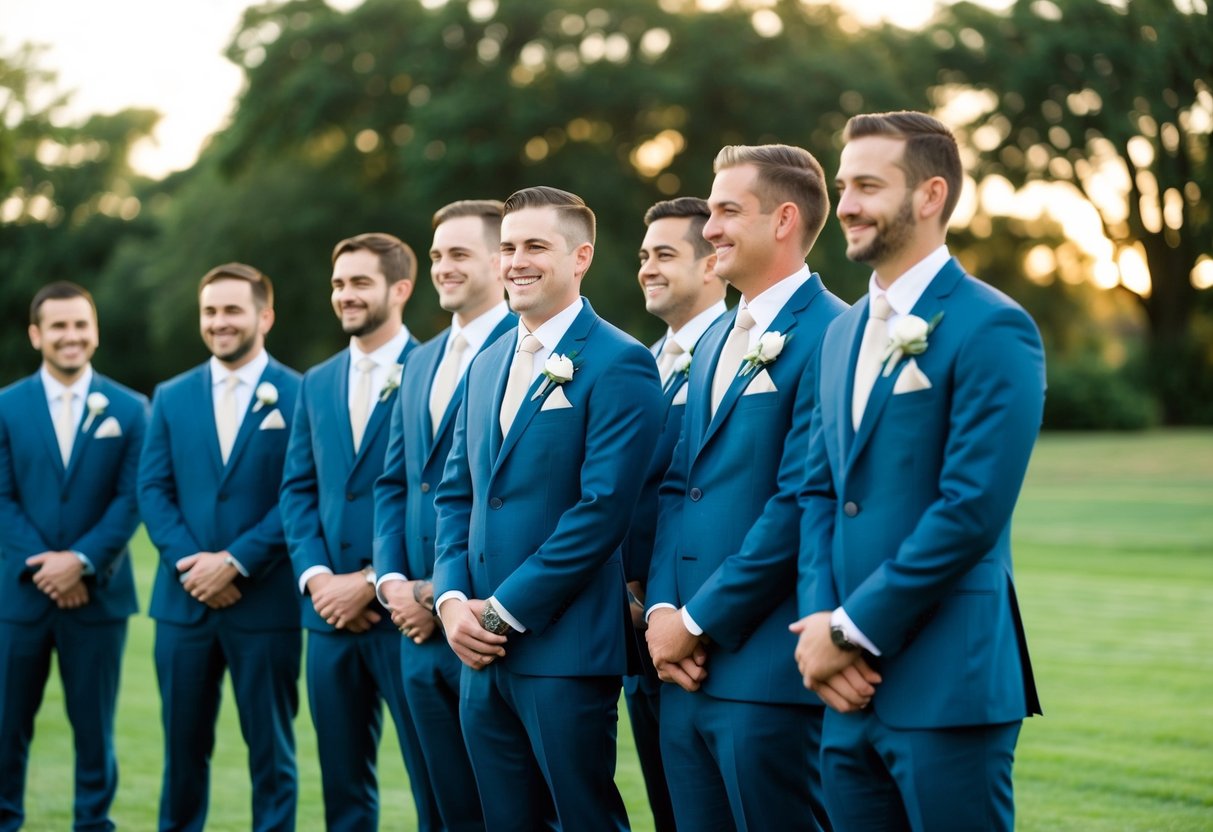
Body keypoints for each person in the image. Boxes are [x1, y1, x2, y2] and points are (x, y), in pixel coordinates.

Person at [792, 111, 1045, 832]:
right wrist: (818, 622)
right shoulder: (841, 333)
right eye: (843, 186)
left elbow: (970, 510)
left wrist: (848, 630)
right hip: (841, 692)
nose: (844, 205)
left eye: (867, 186)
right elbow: (818, 491)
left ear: (929, 196)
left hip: (947, 680)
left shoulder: (991, 326)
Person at [432, 186, 662, 831]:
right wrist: (452, 603)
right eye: (507, 247)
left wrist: (505, 612)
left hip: (566, 648)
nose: (516, 261)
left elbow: (602, 511)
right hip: (478, 651)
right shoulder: (487, 364)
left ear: (580, 256)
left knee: (585, 820)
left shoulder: (620, 361)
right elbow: (458, 495)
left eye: (536, 246)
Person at [644, 145, 846, 831]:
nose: (709, 229)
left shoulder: (834, 334)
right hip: (682, 672)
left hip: (767, 673)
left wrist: (697, 623)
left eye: (728, 211)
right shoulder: (711, 341)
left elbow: (796, 500)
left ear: (783, 219)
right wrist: (662, 613)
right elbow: (678, 488)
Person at [279, 232, 438, 831]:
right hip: (327, 619)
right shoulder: (315, 381)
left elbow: (437, 495)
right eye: (339, 284)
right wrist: (319, 579)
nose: (345, 295)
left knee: (435, 780)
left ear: (399, 289)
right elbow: (298, 488)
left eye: (360, 283)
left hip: (405, 615)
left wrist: (373, 581)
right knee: (342, 786)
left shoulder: (431, 369)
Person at [137, 263, 302, 831]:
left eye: (232, 310)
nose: (219, 322)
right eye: (210, 311)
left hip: (265, 603)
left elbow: (299, 495)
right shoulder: (171, 395)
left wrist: (235, 562)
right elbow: (152, 489)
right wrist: (193, 566)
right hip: (182, 608)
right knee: (182, 756)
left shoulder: (300, 394)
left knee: (272, 756)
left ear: (265, 316)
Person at [373, 200, 516, 832]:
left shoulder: (524, 349)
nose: (442, 267)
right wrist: (391, 583)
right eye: (435, 255)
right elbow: (394, 482)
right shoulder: (420, 360)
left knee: (509, 812)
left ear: (497, 258)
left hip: (484, 628)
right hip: (412, 630)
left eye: (458, 254)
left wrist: (444, 590)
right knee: (439, 811)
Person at [0, 282, 146, 832]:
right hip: (19, 597)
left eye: (81, 325)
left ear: (95, 331)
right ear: (37, 334)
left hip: (98, 598)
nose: (71, 336)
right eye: (58, 326)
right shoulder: (6, 407)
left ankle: (94, 824)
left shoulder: (132, 409)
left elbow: (132, 497)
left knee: (95, 732)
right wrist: (47, 565)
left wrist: (81, 561)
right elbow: (2, 497)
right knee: (6, 728)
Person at [624, 196, 728, 832]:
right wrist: (637, 600)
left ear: (712, 264)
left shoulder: (740, 353)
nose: (647, 269)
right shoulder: (638, 362)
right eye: (643, 256)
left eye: (665, 255)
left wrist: (681, 613)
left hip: (709, 629)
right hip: (637, 631)